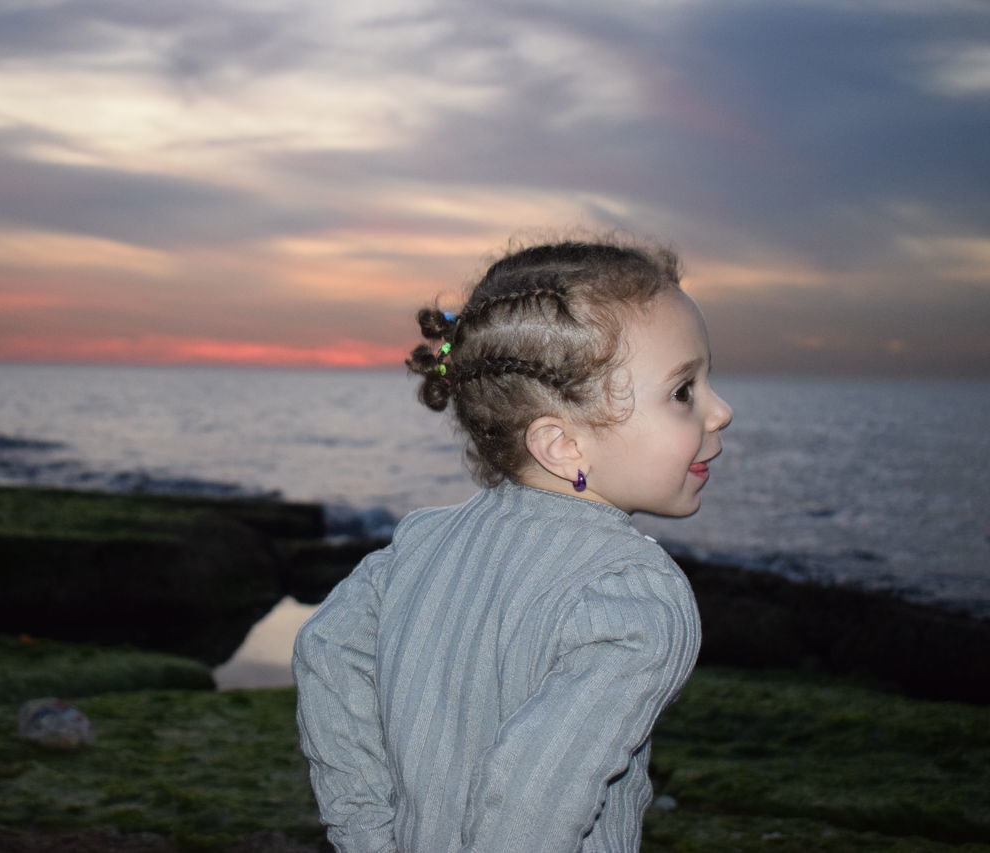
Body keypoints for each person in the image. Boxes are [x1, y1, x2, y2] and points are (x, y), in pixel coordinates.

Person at [292, 236, 733, 852]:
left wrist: (366, 833)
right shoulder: (633, 591)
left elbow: (326, 651)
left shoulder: (420, 546)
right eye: (684, 390)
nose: (721, 411)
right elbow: (535, 793)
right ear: (563, 445)